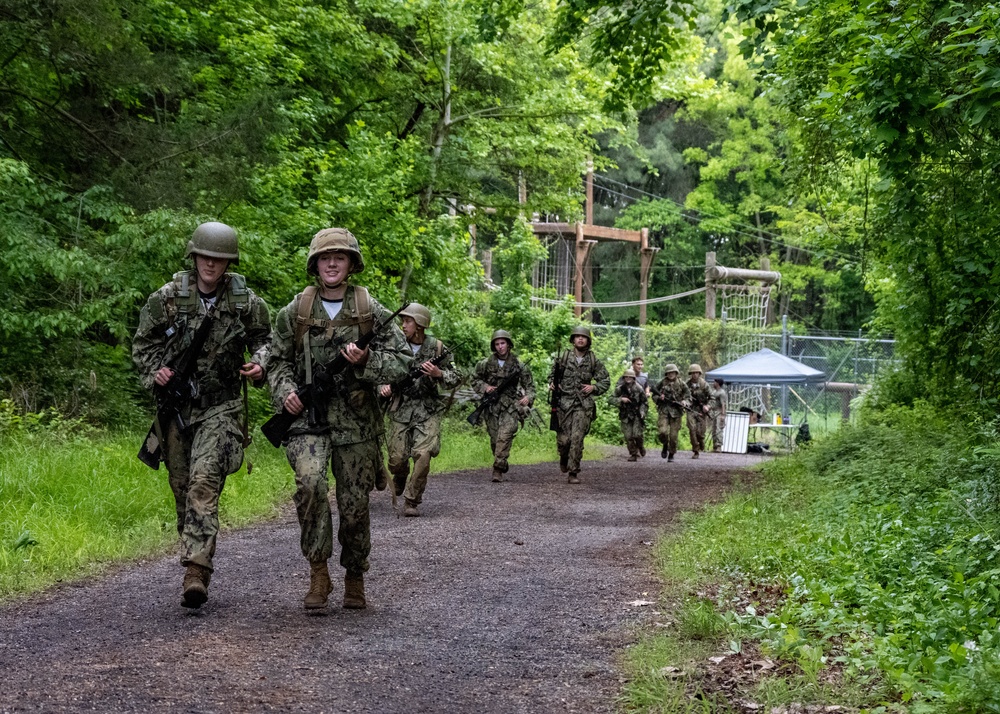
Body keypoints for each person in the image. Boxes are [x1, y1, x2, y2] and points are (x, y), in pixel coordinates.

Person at [267, 228, 410, 610]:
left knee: (354, 504)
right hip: (307, 420)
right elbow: (275, 359)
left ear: (351, 265)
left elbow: (401, 362)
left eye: (340, 257)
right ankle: (318, 571)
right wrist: (286, 395)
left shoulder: (369, 310)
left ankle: (355, 574)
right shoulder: (296, 310)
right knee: (311, 486)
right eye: (325, 257)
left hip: (357, 422)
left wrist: (367, 362)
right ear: (315, 263)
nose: (332, 263)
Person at [132, 222, 271, 609]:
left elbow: (267, 341)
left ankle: (196, 569)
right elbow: (143, 344)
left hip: (221, 406)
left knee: (203, 484)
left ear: (229, 263)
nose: (211, 264)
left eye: (220, 259)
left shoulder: (245, 301)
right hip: (177, 409)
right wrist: (155, 372)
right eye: (206, 256)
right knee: (182, 490)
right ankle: (193, 555)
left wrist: (259, 364)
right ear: (194, 257)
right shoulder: (168, 297)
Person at [379, 304, 460, 517]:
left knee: (423, 455)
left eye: (408, 321)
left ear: (420, 324)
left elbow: (456, 377)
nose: (403, 325)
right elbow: (379, 372)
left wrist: (438, 373)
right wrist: (382, 387)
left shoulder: (438, 348)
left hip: (428, 409)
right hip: (401, 408)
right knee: (396, 460)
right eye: (402, 321)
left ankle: (412, 500)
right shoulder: (395, 346)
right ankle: (400, 475)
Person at [548, 325, 610, 484]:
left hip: (583, 405)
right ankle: (564, 457)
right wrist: (552, 384)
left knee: (577, 439)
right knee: (564, 441)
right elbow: (552, 376)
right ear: (573, 340)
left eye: (583, 337)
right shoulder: (564, 357)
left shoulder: (593, 360)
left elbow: (605, 381)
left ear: (588, 341)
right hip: (564, 404)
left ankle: (573, 472)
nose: (580, 339)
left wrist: (594, 387)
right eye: (577, 337)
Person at [472, 330, 535, 482]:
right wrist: (485, 387)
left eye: (503, 343)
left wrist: (528, 397)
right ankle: (501, 461)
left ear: (508, 344)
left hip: (511, 406)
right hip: (492, 406)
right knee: (495, 440)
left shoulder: (519, 365)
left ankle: (497, 470)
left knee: (504, 437)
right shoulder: (485, 364)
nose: (500, 347)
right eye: (497, 344)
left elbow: (530, 386)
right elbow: (474, 380)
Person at [651, 363, 690, 462]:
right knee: (662, 432)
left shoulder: (681, 383)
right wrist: (659, 398)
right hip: (664, 410)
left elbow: (688, 396)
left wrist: (685, 402)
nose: (671, 374)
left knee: (673, 435)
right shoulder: (661, 383)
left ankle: (671, 453)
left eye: (673, 372)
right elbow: (654, 395)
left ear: (676, 373)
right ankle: (665, 444)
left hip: (676, 412)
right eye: (669, 372)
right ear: (666, 374)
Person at [609, 368, 648, 461]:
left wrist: (642, 412)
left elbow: (644, 402)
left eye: (630, 377)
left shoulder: (639, 388)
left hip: (636, 415)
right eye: (626, 376)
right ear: (623, 378)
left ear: (633, 378)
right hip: (625, 415)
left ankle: (640, 446)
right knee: (628, 436)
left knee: (637, 435)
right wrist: (620, 400)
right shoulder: (620, 389)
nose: (628, 378)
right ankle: (633, 454)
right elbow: (610, 399)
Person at [686, 363, 711, 459]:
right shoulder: (687, 385)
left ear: (699, 373)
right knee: (692, 429)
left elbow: (712, 397)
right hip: (691, 409)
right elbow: (683, 395)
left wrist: (707, 406)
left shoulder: (704, 384)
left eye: (696, 373)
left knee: (701, 433)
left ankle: (700, 441)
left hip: (701, 410)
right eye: (693, 373)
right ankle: (695, 450)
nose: (695, 375)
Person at [708, 377, 728, 452]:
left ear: (718, 383)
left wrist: (723, 415)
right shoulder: (714, 392)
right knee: (713, 429)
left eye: (715, 382)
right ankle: (714, 446)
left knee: (718, 430)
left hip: (719, 412)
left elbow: (723, 404)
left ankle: (719, 446)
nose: (713, 383)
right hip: (713, 412)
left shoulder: (721, 393)